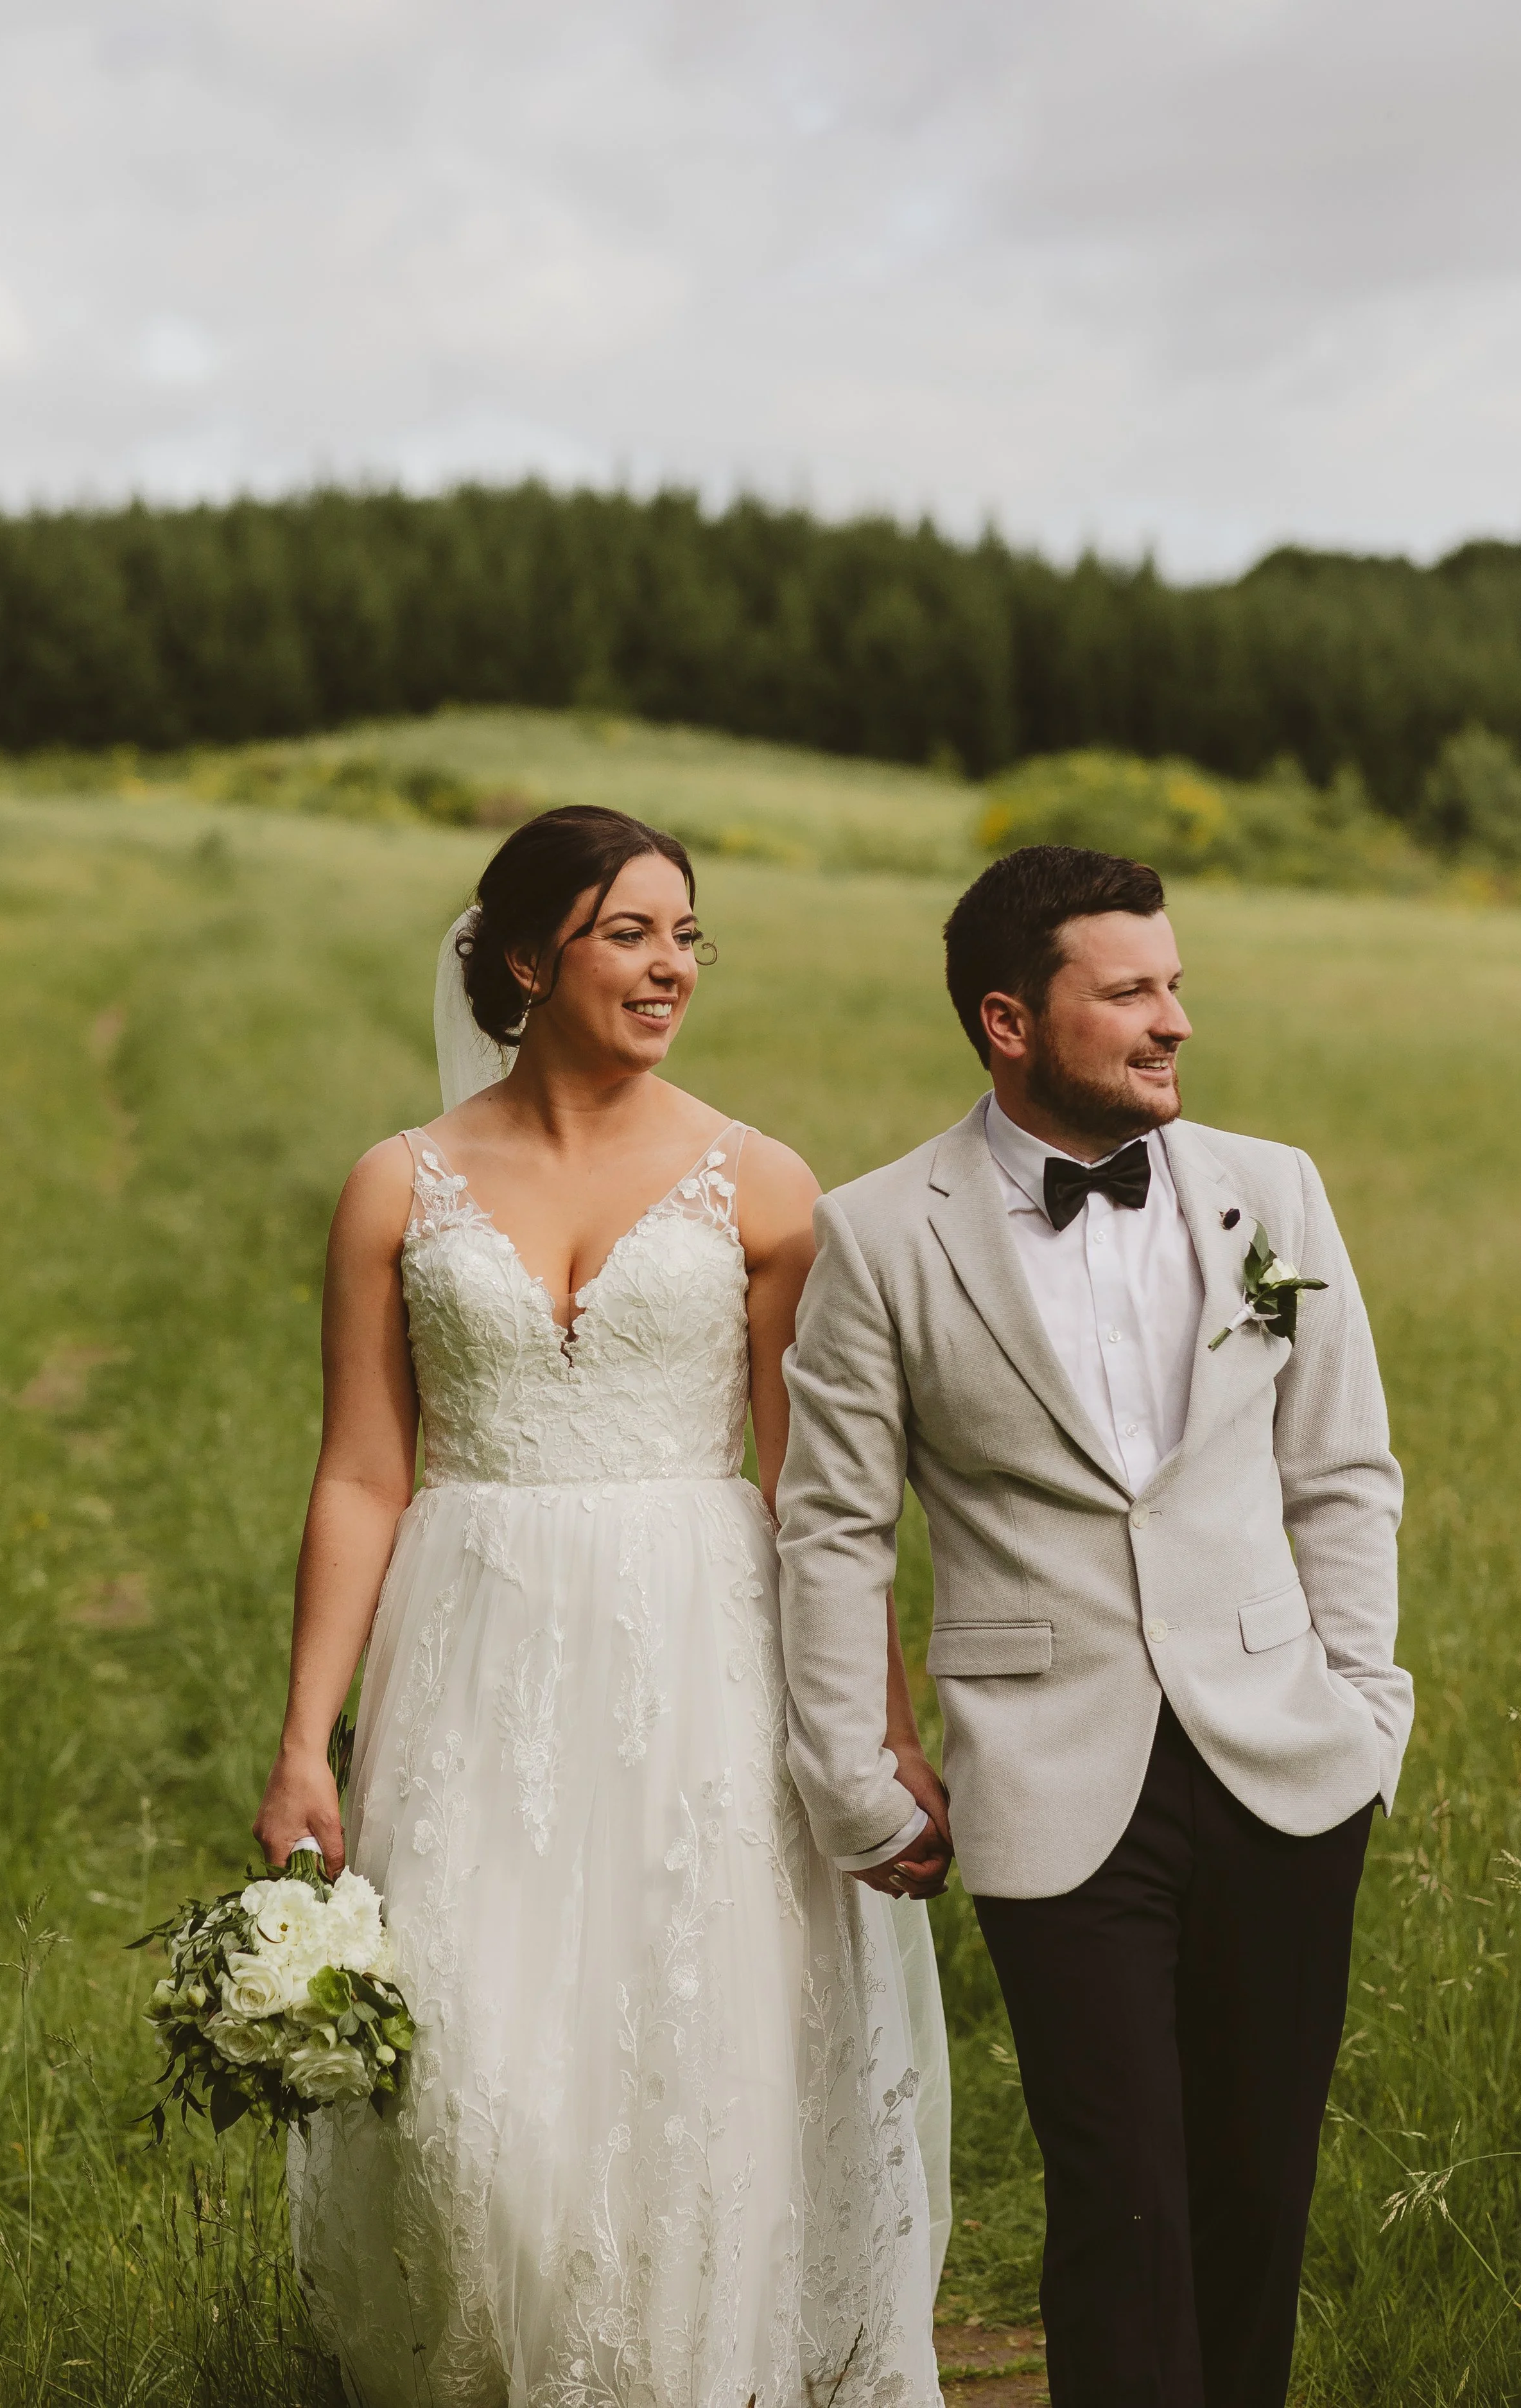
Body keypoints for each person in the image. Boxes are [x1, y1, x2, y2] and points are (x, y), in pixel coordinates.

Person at [253, 805, 952, 2408]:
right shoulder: (394, 1188)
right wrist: (305, 1740)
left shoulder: (763, 1186)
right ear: (521, 957)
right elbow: (362, 1473)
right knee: (469, 2074)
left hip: (703, 1660)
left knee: (694, 2049)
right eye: (628, 933)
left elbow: (817, 1505)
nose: (669, 967)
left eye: (686, 934)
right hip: (473, 1655)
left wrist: (878, 1739)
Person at [776, 843, 1412, 2408]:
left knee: (1256, 2192)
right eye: (1127, 990)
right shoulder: (877, 1235)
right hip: (1050, 1777)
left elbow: (1340, 1469)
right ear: (1008, 1019)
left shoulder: (1273, 1192)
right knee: (1121, 2197)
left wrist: (1365, 1704)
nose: (1172, 1019)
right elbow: (831, 1524)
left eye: (1174, 983)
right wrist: (850, 1772)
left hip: (1284, 1758)